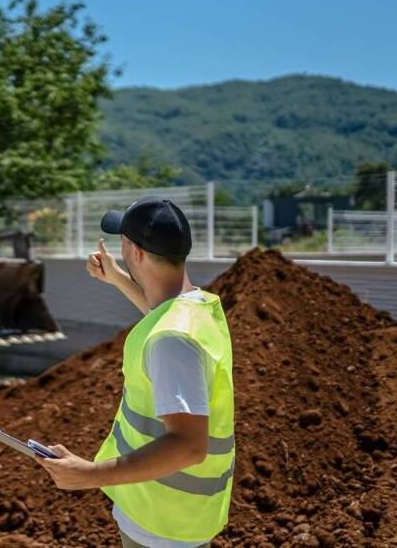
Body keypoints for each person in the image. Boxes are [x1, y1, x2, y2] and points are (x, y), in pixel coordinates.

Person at [36, 197, 235, 548]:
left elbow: (189, 446)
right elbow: (161, 313)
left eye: (123, 242)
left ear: (137, 252)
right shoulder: (198, 307)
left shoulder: (173, 339)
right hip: (174, 515)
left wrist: (87, 475)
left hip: (163, 525)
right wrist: (118, 279)